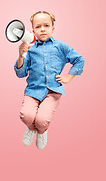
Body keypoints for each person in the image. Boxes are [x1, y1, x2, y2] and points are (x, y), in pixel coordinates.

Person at [14, 11, 85, 149]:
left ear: (52, 28)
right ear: (32, 30)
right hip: (33, 90)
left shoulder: (61, 46)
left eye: (46, 25)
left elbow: (79, 60)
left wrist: (68, 77)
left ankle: (41, 131)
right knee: (26, 116)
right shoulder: (30, 49)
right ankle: (31, 129)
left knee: (42, 120)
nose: (42, 29)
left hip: (52, 91)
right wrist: (21, 55)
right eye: (38, 26)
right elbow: (21, 74)